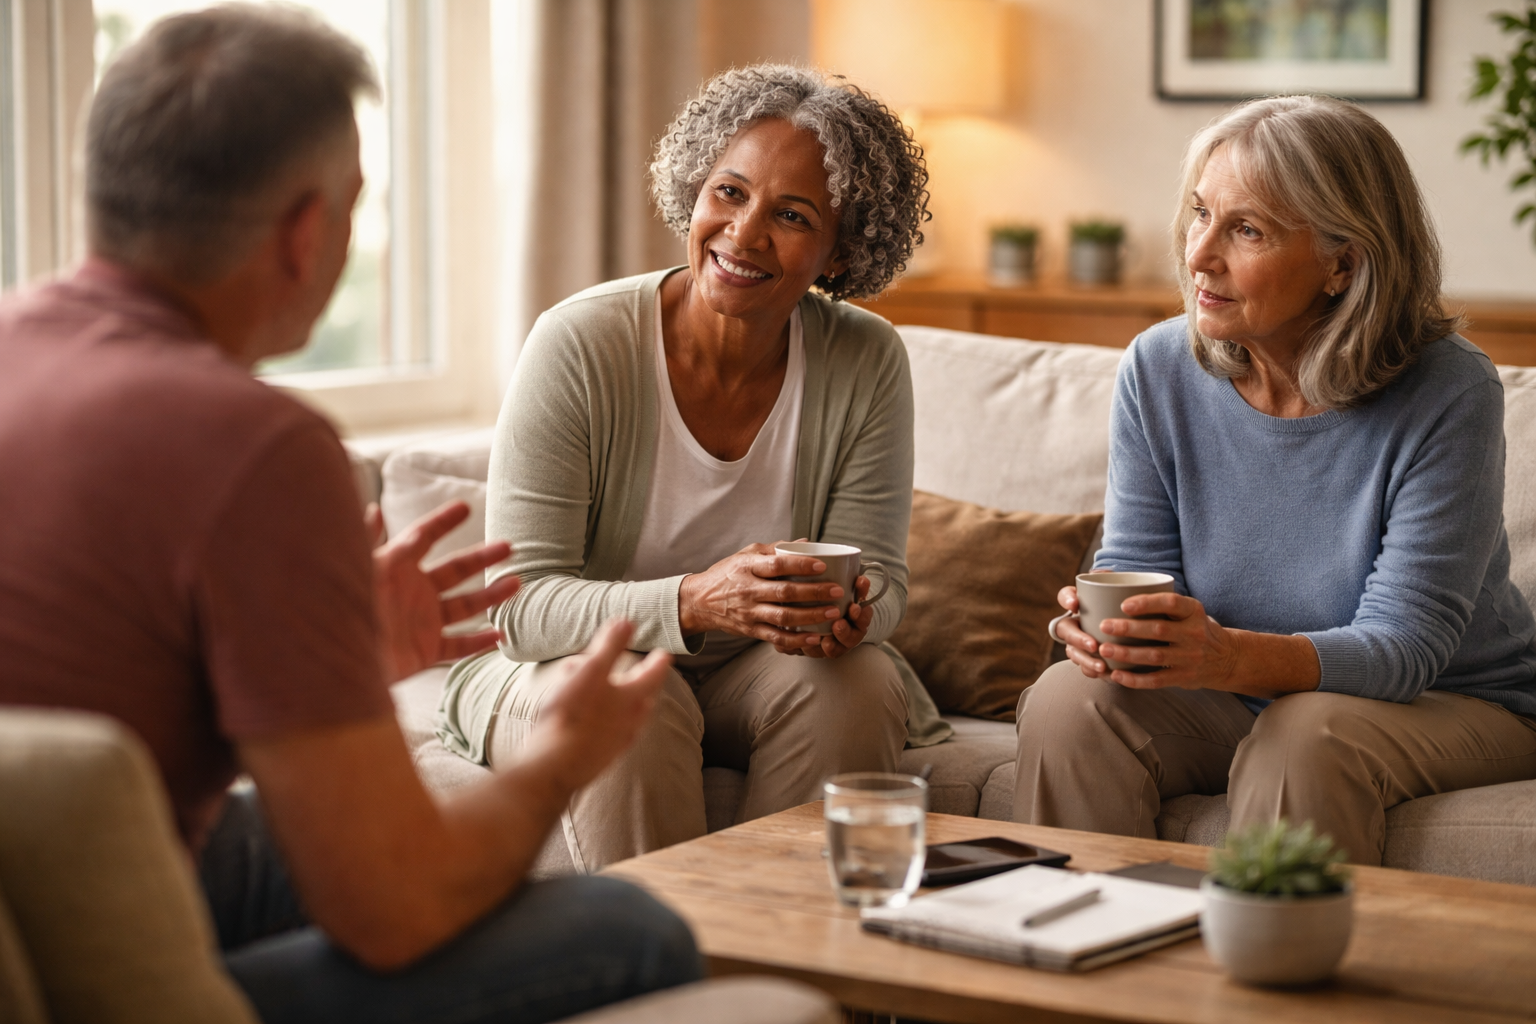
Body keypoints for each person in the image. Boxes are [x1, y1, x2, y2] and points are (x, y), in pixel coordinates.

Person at [0, 7, 702, 1022]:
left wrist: (322, 658)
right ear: (302, 231)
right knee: (636, 930)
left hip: (35, 881)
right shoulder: (259, 448)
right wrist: (560, 758)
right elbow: (395, 912)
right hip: (84, 981)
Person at [1013, 95, 1536, 866]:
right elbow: (1140, 572)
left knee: (1303, 735)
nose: (1199, 256)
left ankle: (1267, 979)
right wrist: (1117, 635)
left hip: (1449, 700)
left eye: (1246, 229)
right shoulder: (1159, 368)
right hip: (1236, 690)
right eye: (1200, 214)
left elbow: (1405, 646)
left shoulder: (1449, 390)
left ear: (1343, 262)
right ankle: (1093, 965)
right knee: (1067, 701)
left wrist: (1225, 658)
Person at [438, 64, 930, 870]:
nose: (742, 235)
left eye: (792, 215)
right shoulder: (581, 343)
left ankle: (794, 974)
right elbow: (517, 608)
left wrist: (853, 616)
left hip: (756, 675)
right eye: (729, 193)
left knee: (861, 680)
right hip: (565, 665)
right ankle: (668, 981)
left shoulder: (866, 360)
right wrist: (697, 601)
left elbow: (882, 582)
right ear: (693, 192)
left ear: (840, 253)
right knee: (632, 694)